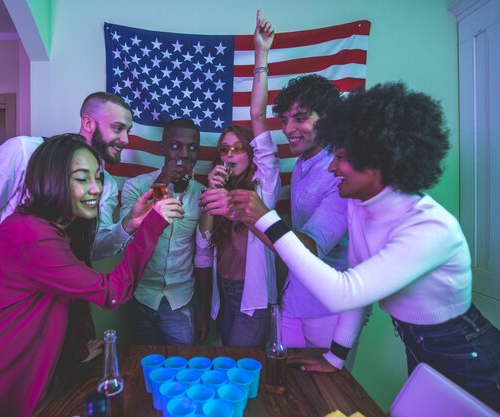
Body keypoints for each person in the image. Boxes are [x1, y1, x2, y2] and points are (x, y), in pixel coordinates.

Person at [228, 82, 500, 413]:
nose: (331, 167)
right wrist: (334, 356)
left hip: (468, 355)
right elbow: (356, 290)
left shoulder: (429, 228)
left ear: (377, 162)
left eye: (341, 158)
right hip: (417, 345)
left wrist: (266, 220)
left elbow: (343, 293)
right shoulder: (361, 205)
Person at [0, 134, 182, 417]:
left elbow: (59, 299)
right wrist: (153, 224)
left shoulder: (48, 228)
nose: (95, 189)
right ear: (52, 180)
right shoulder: (31, 235)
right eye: (81, 178)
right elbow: (112, 292)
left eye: (98, 178)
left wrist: (74, 352)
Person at [0, 92, 152, 343]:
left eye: (128, 130)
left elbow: (94, 248)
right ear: (89, 123)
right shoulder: (22, 152)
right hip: (14, 302)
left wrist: (128, 224)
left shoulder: (105, 184)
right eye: (118, 128)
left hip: (69, 306)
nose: (126, 139)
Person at [240, 11, 362, 368]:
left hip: (328, 313)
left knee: (326, 399)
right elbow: (258, 115)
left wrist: (256, 217)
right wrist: (261, 55)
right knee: (288, 393)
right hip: (292, 302)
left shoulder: (342, 173)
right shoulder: (305, 161)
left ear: (329, 120)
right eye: (286, 118)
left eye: (301, 117)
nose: (289, 128)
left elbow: (308, 250)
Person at [195, 121, 280, 346]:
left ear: (251, 154)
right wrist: (213, 190)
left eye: (238, 148)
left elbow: (267, 157)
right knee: (227, 361)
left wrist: (257, 114)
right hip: (223, 292)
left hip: (251, 297)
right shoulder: (221, 192)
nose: (230, 154)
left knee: (238, 365)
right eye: (225, 149)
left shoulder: (263, 191)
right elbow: (203, 241)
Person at [121, 118, 204, 345]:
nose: (184, 154)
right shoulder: (135, 187)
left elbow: (206, 255)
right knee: (142, 366)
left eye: (192, 147)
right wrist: (163, 181)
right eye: (176, 145)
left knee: (182, 370)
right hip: (140, 295)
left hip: (180, 300)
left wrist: (203, 307)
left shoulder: (203, 196)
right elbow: (127, 237)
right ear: (162, 147)